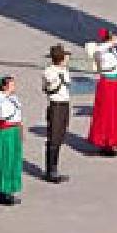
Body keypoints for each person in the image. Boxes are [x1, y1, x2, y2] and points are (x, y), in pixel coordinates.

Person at [85, 28, 117, 155]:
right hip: (107, 83)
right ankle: (104, 142)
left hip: (115, 83)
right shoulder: (100, 50)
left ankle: (112, 142)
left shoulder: (111, 50)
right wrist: (111, 43)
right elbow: (97, 50)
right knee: (106, 113)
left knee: (114, 113)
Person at [0, 77, 24, 205]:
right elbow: (1, 115)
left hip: (13, 131)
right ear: (4, 87)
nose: (14, 86)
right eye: (11, 84)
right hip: (6, 132)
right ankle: (4, 192)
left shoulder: (12, 98)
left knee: (12, 161)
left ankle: (6, 190)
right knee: (5, 161)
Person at [41, 44, 73, 183]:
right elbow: (51, 85)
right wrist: (60, 72)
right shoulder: (50, 72)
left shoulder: (63, 70)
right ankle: (51, 170)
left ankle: (54, 167)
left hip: (64, 104)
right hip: (56, 105)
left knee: (60, 136)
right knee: (53, 138)